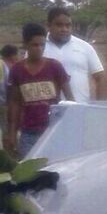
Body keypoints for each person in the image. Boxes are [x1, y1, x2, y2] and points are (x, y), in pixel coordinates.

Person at [5, 23, 73, 157]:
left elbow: (71, 100)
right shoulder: (17, 70)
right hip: (28, 133)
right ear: (25, 45)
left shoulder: (55, 67)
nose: (39, 48)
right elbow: (14, 103)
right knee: (29, 173)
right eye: (35, 45)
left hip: (52, 131)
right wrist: (12, 132)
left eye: (42, 45)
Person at [43, 6, 107, 103]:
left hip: (79, 110)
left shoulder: (85, 47)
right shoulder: (38, 47)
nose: (64, 29)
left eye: (68, 25)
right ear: (48, 25)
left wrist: (101, 107)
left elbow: (100, 77)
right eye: (59, 25)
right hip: (46, 110)